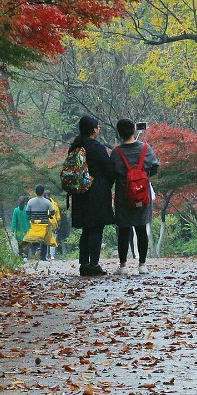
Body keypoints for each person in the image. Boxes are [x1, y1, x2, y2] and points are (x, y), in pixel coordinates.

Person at [108, 118, 160, 276]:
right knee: (141, 228)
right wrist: (143, 176)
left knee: (123, 229)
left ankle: (123, 265)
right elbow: (155, 166)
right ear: (134, 131)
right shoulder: (146, 148)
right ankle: (142, 265)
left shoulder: (116, 152)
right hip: (142, 194)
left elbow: (111, 173)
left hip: (123, 196)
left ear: (119, 133)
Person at [67, 115, 115, 277]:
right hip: (96, 191)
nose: (99, 129)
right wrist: (107, 184)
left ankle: (84, 264)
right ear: (94, 129)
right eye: (98, 126)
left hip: (79, 193)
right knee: (96, 227)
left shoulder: (75, 146)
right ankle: (94, 264)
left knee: (87, 229)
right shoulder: (96, 147)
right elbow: (110, 169)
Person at [25, 185, 58, 262]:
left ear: (35, 192)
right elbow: (53, 211)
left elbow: (27, 212)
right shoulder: (47, 201)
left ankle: (37, 248)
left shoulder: (31, 201)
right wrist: (48, 216)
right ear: (43, 192)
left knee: (34, 239)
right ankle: (43, 257)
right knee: (44, 240)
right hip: (44, 223)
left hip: (34, 223)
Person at [11, 195, 31, 260]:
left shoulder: (16, 210)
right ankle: (25, 257)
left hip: (19, 231)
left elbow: (14, 221)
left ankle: (21, 256)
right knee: (26, 244)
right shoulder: (27, 209)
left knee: (20, 244)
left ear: (18, 202)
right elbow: (30, 218)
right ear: (25, 202)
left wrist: (12, 230)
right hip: (26, 230)